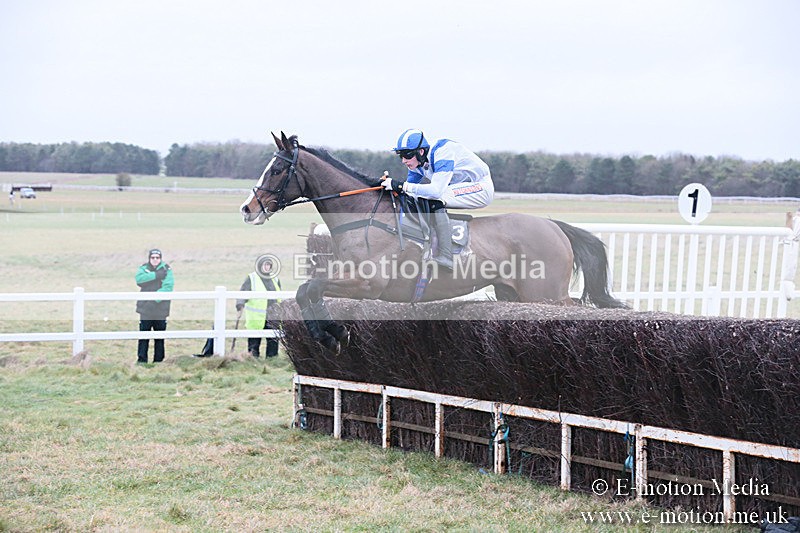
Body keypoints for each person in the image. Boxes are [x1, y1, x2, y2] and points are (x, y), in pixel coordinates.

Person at [382, 129, 494, 269]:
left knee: (436, 198)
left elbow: (435, 191)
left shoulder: (443, 152)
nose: (404, 161)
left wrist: (400, 185)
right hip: (457, 187)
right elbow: (408, 191)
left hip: (481, 188)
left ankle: (446, 257)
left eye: (407, 155)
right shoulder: (416, 163)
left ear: (421, 152)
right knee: (417, 196)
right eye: (401, 156)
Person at [235, 254, 282, 358]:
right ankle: (253, 359)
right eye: (265, 265)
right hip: (256, 317)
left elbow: (280, 295)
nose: (266, 267)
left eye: (268, 265)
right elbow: (243, 293)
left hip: (273, 315)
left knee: (273, 339)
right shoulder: (252, 278)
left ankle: (272, 359)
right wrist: (240, 305)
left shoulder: (275, 279)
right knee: (254, 341)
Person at [135, 249, 174, 363]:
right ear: (149, 258)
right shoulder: (143, 268)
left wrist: (154, 300)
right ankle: (142, 360)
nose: (155, 260)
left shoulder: (167, 269)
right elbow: (139, 279)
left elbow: (168, 287)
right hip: (145, 308)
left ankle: (158, 360)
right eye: (153, 257)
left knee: (160, 336)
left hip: (160, 308)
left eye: (157, 257)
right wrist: (156, 275)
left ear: (160, 258)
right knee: (143, 335)